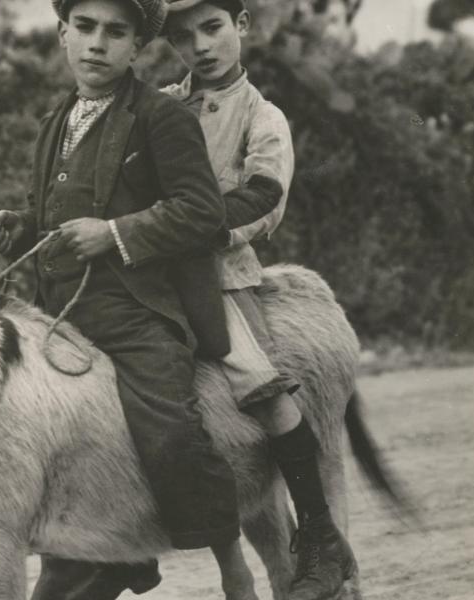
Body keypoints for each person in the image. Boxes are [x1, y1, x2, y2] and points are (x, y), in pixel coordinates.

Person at [0, 0, 242, 597]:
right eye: (86, 28)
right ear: (63, 35)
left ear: (138, 48)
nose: (98, 44)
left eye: (115, 32)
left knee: (169, 429)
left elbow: (201, 211)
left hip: (137, 318)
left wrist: (116, 234)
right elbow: (58, 214)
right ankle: (109, 552)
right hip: (60, 327)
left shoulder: (159, 117)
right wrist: (21, 225)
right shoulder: (54, 123)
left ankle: (227, 556)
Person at [161, 1, 357, 598]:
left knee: (254, 385)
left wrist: (197, 227)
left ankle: (321, 536)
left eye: (213, 28)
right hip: (152, 274)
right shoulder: (163, 104)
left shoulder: (262, 116)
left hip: (220, 273)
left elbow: (266, 200)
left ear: (241, 26)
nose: (201, 46)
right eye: (184, 37)